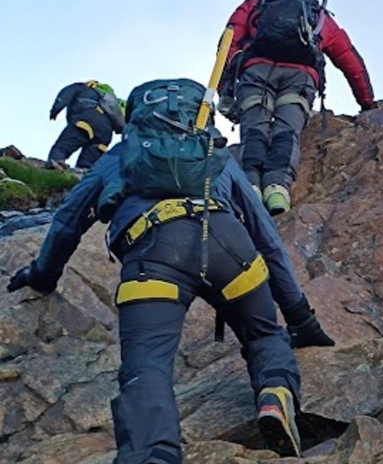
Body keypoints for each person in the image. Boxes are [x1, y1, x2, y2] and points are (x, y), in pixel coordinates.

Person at [8, 80, 337, 462]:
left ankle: (152, 454)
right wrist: (300, 317)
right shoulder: (215, 156)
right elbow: (267, 240)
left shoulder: (119, 156)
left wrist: (43, 275)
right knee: (264, 335)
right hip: (229, 249)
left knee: (146, 365)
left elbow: (68, 222)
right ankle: (274, 394)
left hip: (154, 253)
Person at [218, 0, 376, 215]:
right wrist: (367, 102)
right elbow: (351, 62)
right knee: (286, 130)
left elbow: (228, 41)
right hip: (300, 78)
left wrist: (224, 86)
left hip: (255, 72)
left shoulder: (256, 3)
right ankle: (277, 189)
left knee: (255, 128)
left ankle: (251, 187)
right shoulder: (319, 15)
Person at [48, 80, 125, 170]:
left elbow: (65, 94)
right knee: (91, 156)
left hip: (87, 119)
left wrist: (55, 109)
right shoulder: (108, 103)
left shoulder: (81, 86)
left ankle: (56, 162)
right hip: (106, 131)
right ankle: (84, 172)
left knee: (65, 144)